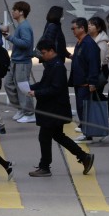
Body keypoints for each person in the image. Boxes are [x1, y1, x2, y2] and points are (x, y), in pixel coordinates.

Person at [27, 39, 95, 177]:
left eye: (44, 53)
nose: (42, 56)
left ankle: (45, 167)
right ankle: (83, 157)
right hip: (53, 109)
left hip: (54, 110)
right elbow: (45, 83)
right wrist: (31, 87)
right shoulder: (52, 65)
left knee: (45, 137)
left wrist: (37, 93)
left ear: (52, 51)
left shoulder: (58, 67)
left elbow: (55, 89)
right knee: (58, 136)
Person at [69, 18, 103, 141]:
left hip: (85, 83)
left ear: (82, 28)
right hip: (79, 82)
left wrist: (92, 82)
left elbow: (94, 64)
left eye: (74, 28)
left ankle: (88, 133)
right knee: (80, 107)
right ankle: (86, 131)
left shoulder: (89, 44)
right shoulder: (80, 42)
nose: (72, 30)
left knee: (85, 108)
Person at [3, 1, 36, 123]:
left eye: (15, 10)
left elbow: (26, 44)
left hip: (22, 62)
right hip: (16, 61)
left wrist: (10, 38)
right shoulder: (21, 26)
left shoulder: (24, 27)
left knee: (23, 88)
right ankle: (21, 108)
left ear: (21, 12)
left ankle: (29, 112)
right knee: (8, 84)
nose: (12, 12)